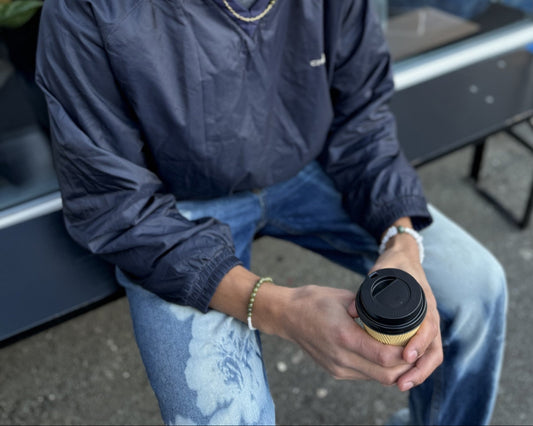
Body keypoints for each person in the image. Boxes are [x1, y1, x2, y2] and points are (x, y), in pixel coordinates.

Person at [35, 0, 507, 424]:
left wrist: (402, 241)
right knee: (224, 410)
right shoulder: (85, 11)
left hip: (310, 166)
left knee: (474, 288)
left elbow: (362, 115)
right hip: (171, 207)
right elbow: (115, 204)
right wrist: (281, 309)